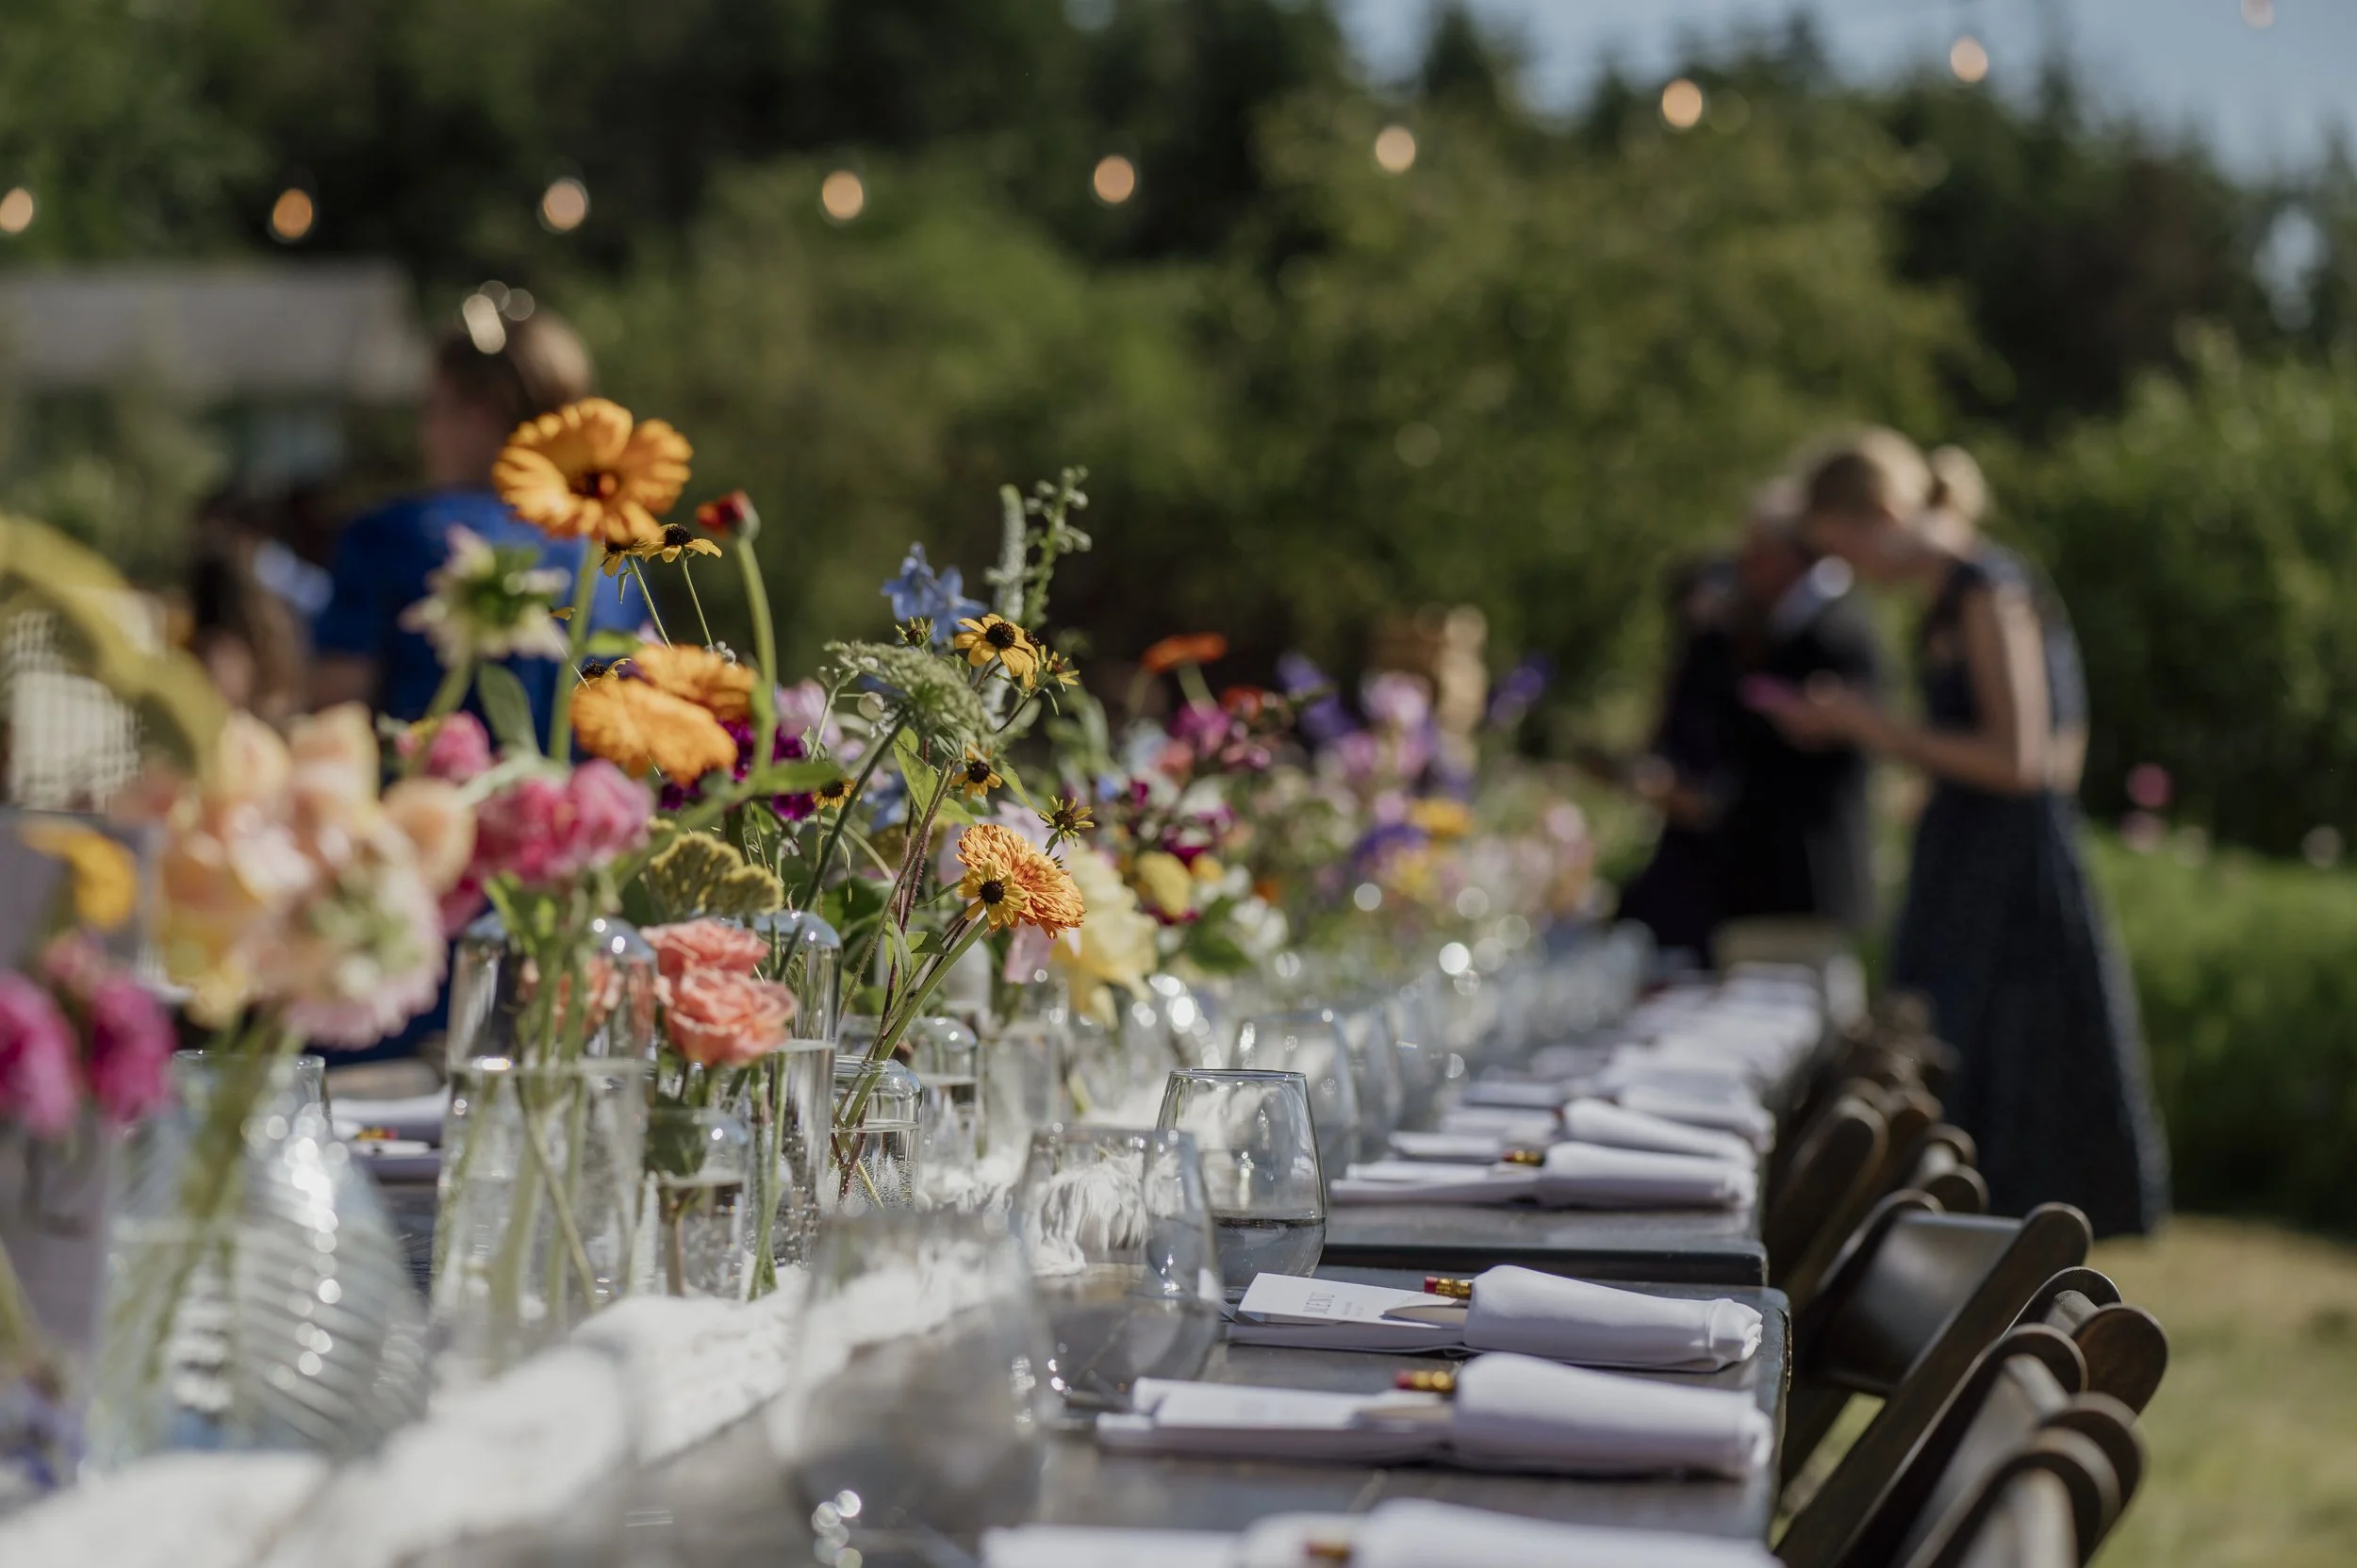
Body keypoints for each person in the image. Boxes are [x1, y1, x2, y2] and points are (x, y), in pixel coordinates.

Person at [1758, 429, 2167, 1237]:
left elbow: (2022, 760)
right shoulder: (1952, 596)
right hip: (1971, 861)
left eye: (1844, 547)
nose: (1852, 573)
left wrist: (1868, 726)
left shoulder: (1988, 585)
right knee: (1957, 1068)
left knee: (1999, 1068)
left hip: (2007, 879)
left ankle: (2003, 1269)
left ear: (1879, 514)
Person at [310, 310, 643, 733]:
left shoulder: (389, 538)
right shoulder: (613, 552)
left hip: (433, 794)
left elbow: (336, 722)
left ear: (479, 413)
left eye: (434, 408)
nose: (425, 432)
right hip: (590, 797)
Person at [1613, 487, 1883, 961]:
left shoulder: (1833, 633)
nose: (1744, 568)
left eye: (1756, 554)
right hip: (1757, 887)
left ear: (1790, 556)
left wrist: (1710, 801)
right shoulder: (1768, 630)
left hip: (1799, 883)